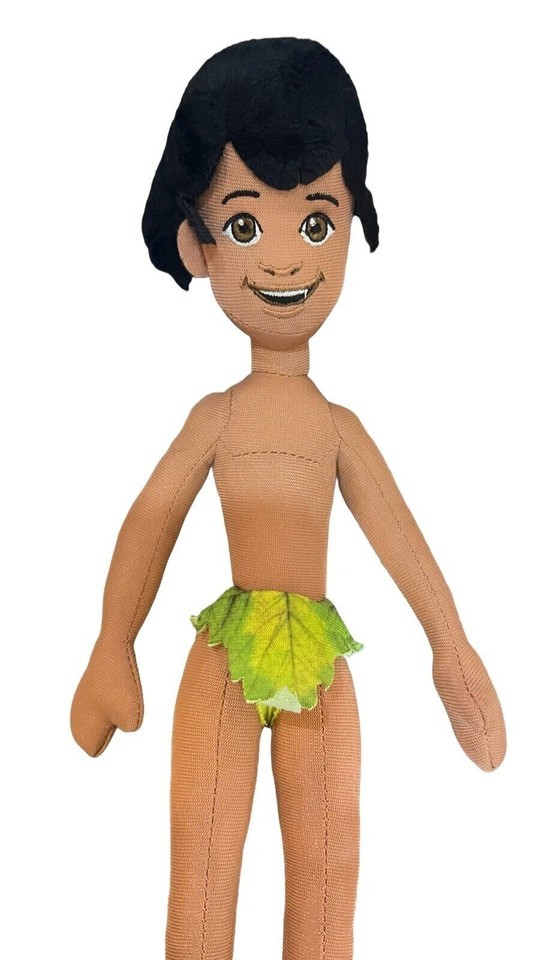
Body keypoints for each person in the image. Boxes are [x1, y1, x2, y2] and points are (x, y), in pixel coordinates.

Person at [71, 37, 506, 960]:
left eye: (314, 223)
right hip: (225, 657)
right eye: (242, 226)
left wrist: (452, 648)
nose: (279, 259)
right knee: (202, 859)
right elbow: (152, 518)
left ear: (350, 228)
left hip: (318, 664)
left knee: (328, 862)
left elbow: (398, 534)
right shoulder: (216, 417)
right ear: (196, 244)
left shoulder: (338, 428)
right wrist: (113, 642)